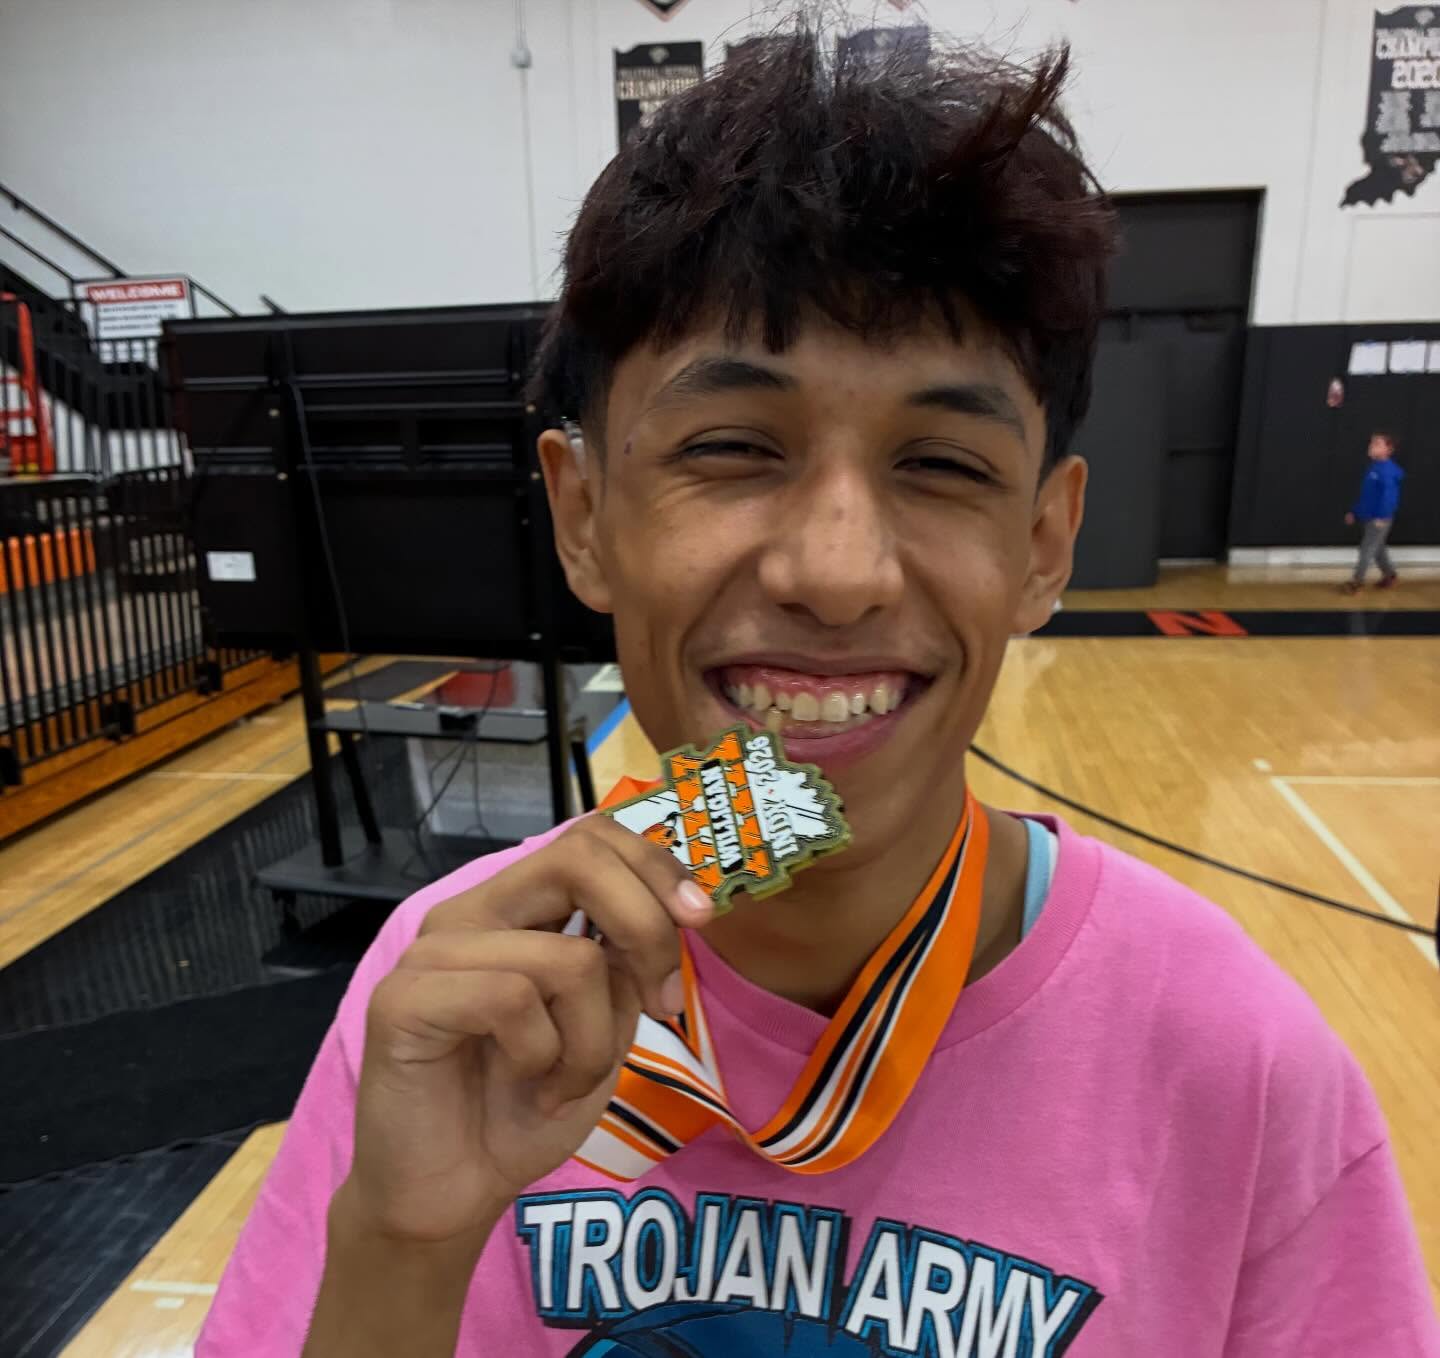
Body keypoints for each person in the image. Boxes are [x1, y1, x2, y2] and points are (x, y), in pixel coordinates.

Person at [199, 28, 1440, 1358]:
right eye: (732, 446)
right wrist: (400, 1245)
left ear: (1042, 545)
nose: (838, 573)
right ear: (584, 514)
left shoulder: (1239, 1059)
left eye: (944, 464)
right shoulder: (441, 1000)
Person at [1343, 431, 1405, 594]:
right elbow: (1367, 495)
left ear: (1388, 449)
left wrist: (1382, 516)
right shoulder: (1374, 468)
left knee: (1367, 549)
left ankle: (1357, 582)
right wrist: (1355, 512)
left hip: (1379, 519)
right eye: (1371, 443)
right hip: (1369, 516)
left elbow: (1389, 497)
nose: (1371, 447)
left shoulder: (1388, 471)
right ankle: (1390, 575)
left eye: (1377, 444)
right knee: (1378, 549)